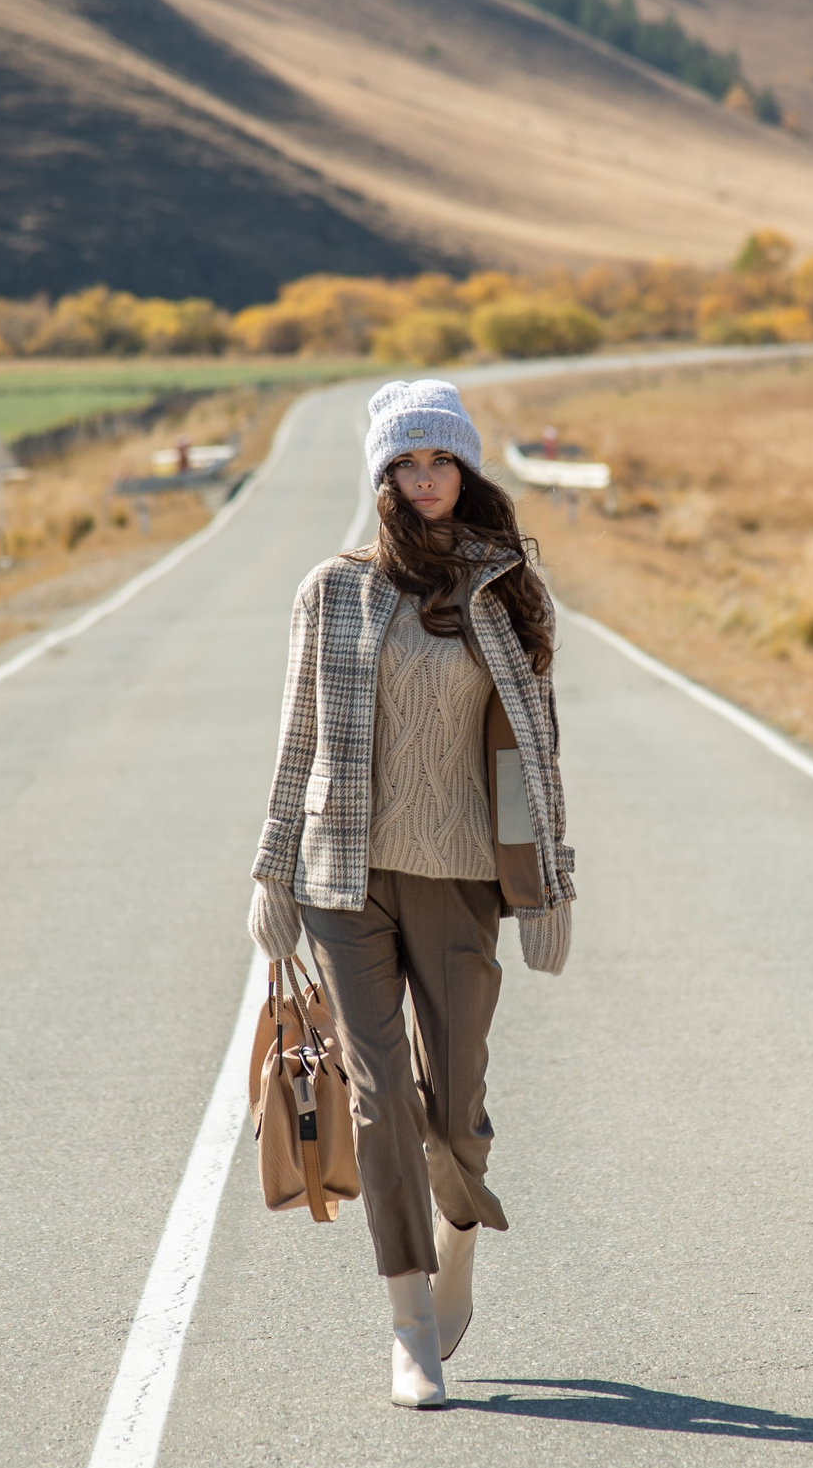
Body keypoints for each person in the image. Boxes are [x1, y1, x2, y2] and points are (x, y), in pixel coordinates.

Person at [247, 379, 576, 1409]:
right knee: (382, 1091)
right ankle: (407, 1325)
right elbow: (297, 734)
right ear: (383, 475)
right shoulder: (332, 590)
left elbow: (535, 755)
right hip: (346, 872)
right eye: (407, 464)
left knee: (458, 1103)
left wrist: (552, 884)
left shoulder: (508, 585)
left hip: (465, 876)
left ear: (466, 471)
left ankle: (459, 1240)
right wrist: (270, 869)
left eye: (442, 462)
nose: (425, 479)